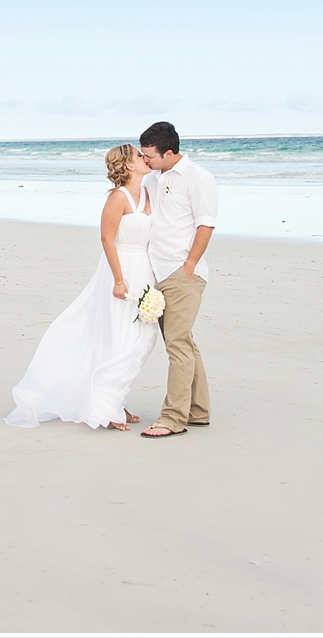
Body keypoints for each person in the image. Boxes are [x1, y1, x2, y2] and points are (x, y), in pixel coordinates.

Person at [5, 144, 159, 431]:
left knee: (143, 338)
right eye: (140, 155)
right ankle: (105, 407)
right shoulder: (118, 198)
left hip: (145, 270)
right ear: (128, 165)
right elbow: (106, 239)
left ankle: (116, 398)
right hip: (122, 267)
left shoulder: (149, 191)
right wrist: (118, 279)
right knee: (119, 337)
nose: (145, 158)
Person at [138, 121, 218, 439]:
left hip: (181, 273)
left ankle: (173, 418)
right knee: (184, 342)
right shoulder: (155, 178)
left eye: (149, 156)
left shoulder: (199, 178)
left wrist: (189, 265)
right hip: (157, 269)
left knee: (178, 346)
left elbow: (206, 224)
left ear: (168, 153)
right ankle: (198, 410)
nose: (145, 161)